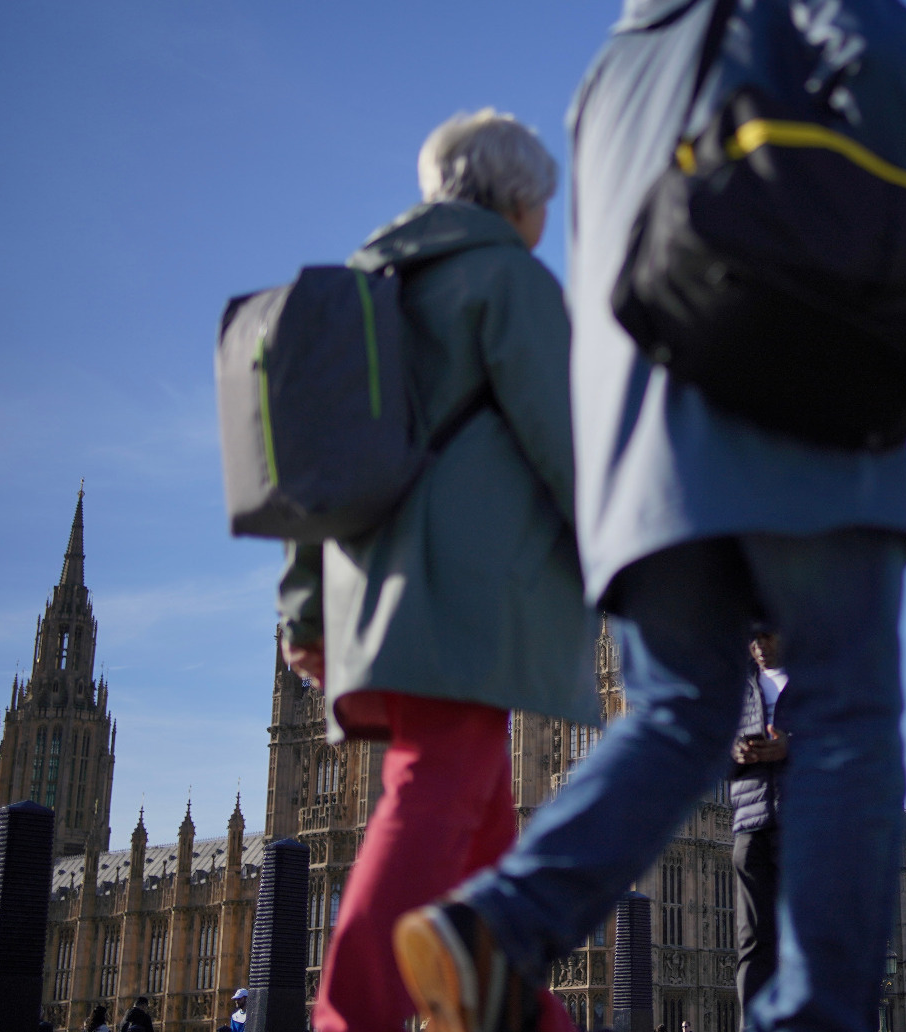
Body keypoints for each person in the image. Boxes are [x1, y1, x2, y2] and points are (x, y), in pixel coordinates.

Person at [391, 1, 906, 1030]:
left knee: (674, 713)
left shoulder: (611, 66)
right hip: (793, 398)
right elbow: (886, 72)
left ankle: (499, 924)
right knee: (847, 713)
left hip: (642, 462)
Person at [276, 109, 593, 1032]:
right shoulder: (509, 281)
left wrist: (304, 609)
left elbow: (311, 467)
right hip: (468, 605)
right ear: (519, 199)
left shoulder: (360, 288)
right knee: (432, 797)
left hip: (371, 600)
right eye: (546, 203)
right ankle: (350, 1018)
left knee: (486, 842)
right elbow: (572, 446)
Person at [730, 632, 788, 1021]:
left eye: (767, 634)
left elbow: (851, 731)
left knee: (804, 938)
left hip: (801, 819)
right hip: (749, 822)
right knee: (751, 943)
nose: (759, 645)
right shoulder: (737, 682)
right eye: (751, 637)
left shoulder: (819, 672)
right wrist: (734, 750)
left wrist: (791, 746)